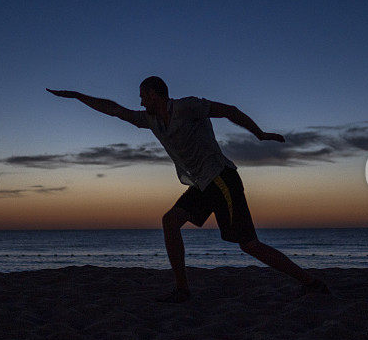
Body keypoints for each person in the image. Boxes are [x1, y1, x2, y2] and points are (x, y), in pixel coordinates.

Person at [47, 76, 330, 302]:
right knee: (170, 221)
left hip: (221, 178)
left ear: (157, 94)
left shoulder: (187, 107)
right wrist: (77, 96)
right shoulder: (151, 121)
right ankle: (182, 291)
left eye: (144, 95)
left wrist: (260, 134)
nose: (141, 100)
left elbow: (229, 111)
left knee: (249, 244)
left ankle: (311, 282)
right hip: (202, 184)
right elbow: (116, 111)